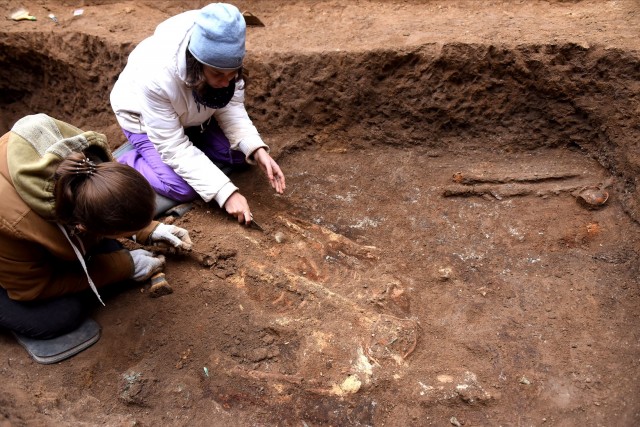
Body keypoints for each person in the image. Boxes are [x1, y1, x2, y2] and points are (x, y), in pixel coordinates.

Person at [0, 113, 192, 363]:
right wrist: (124, 266)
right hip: (11, 256)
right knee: (60, 316)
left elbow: (108, 201)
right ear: (80, 225)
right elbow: (31, 288)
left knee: (103, 251)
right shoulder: (14, 223)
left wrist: (149, 230)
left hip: (34, 235)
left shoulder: (89, 156)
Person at [110, 2, 285, 222]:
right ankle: (127, 162)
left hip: (191, 115)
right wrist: (226, 193)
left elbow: (231, 105)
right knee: (182, 187)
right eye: (218, 75)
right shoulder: (156, 76)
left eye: (232, 74)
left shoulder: (226, 50)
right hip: (142, 120)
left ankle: (195, 143)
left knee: (242, 155)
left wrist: (257, 149)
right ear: (197, 64)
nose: (226, 82)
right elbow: (172, 146)